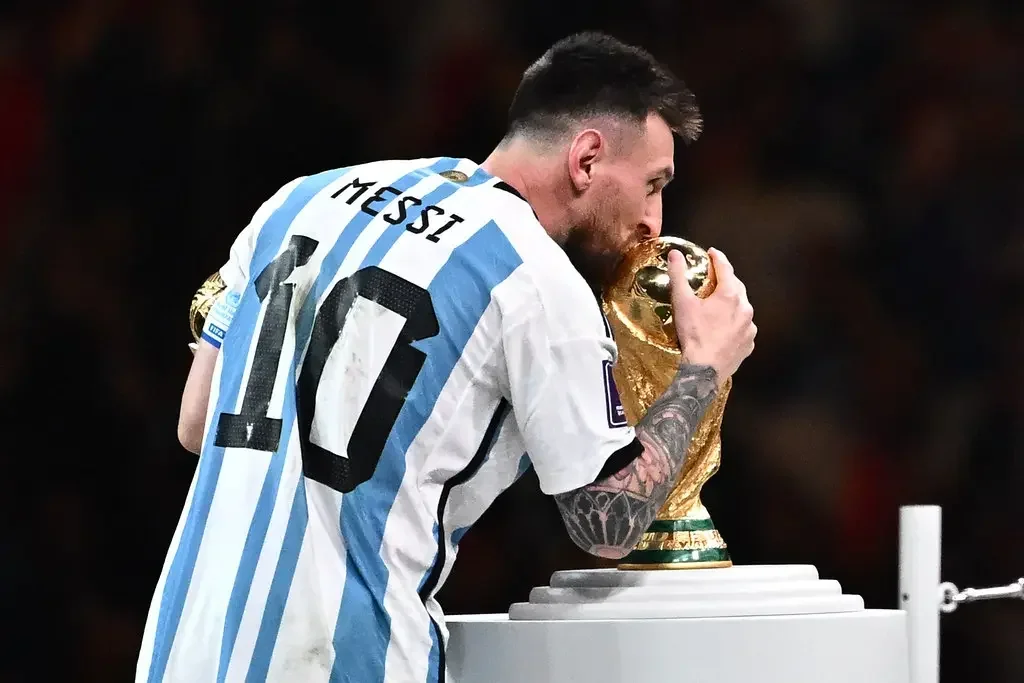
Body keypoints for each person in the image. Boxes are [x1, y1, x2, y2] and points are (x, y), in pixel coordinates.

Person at [138, 31, 756, 683]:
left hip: (186, 646)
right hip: (344, 658)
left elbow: (196, 420)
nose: (654, 220)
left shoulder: (299, 198)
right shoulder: (534, 276)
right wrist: (703, 367)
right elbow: (606, 522)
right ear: (586, 159)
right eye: (652, 184)